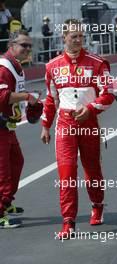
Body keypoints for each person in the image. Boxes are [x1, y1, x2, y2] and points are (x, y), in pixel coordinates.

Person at [41, 18, 115, 239]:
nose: (78, 39)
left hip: (88, 122)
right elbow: (50, 99)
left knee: (92, 168)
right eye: (73, 36)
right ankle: (68, 222)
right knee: (66, 173)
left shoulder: (98, 63)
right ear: (63, 37)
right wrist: (45, 125)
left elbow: (109, 94)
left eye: (81, 35)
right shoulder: (51, 66)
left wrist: (91, 109)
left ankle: (97, 204)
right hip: (65, 124)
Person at [0, 30, 39, 228]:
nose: (27, 49)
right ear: (11, 46)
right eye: (24, 45)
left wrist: (30, 97)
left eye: (30, 46)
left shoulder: (17, 67)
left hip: (8, 126)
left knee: (17, 162)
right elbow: (2, 96)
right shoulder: (4, 67)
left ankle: (6, 204)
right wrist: (27, 97)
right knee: (3, 173)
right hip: (0, 127)